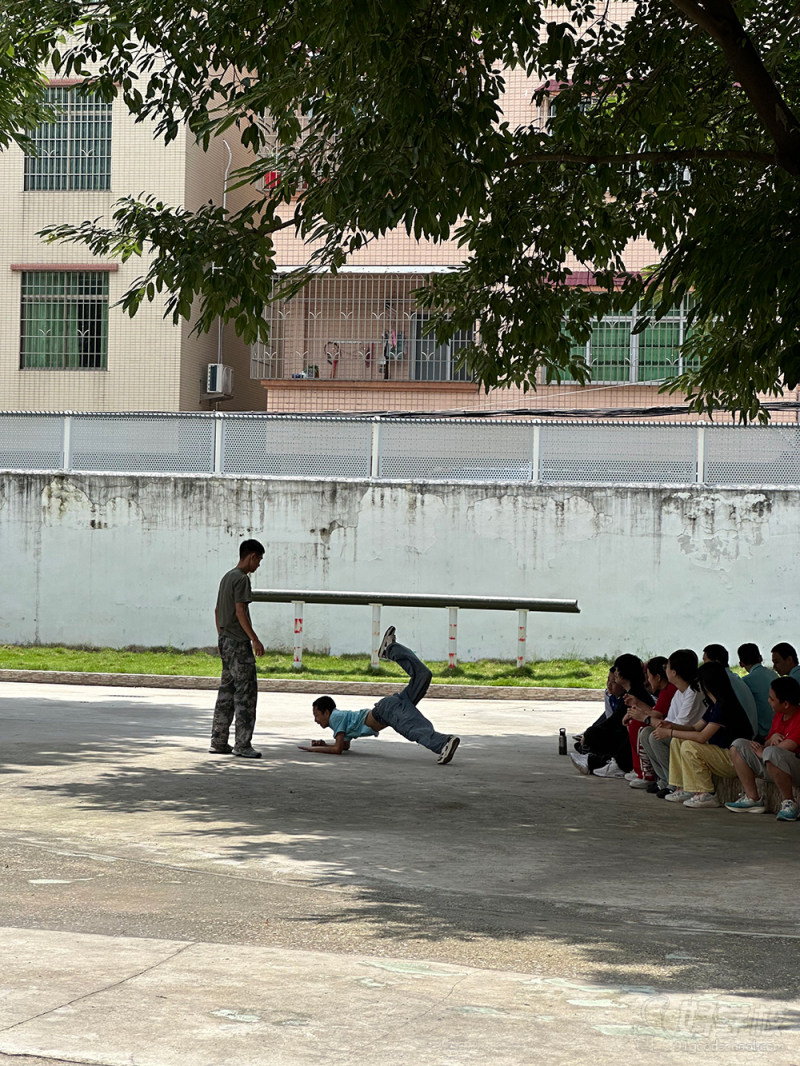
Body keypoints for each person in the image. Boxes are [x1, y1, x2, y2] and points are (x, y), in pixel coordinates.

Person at [299, 627, 460, 765]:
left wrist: (314, 749)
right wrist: (325, 743)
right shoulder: (340, 721)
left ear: (326, 712)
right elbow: (345, 745)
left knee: (411, 727)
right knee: (422, 676)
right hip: (388, 707)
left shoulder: (335, 718)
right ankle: (390, 648)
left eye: (317, 715)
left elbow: (338, 749)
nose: (316, 720)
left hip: (386, 712)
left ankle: (443, 743)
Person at [657, 660, 753, 808]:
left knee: (690, 746)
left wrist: (669, 732)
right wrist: (672, 726)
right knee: (678, 741)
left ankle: (705, 793)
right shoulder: (715, 705)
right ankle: (683, 787)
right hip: (723, 754)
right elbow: (696, 728)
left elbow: (702, 737)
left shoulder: (724, 706)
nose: (698, 685)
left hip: (734, 758)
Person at [209, 538, 266, 758]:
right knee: (246, 695)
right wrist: (254, 639)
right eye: (258, 559)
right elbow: (240, 611)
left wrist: (221, 635)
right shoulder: (242, 579)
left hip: (225, 640)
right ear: (251, 556)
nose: (258, 565)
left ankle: (218, 740)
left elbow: (217, 610)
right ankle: (243, 744)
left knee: (226, 692)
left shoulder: (226, 577)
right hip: (239, 644)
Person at [725, 676, 800, 821]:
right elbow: (768, 742)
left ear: (785, 704)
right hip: (772, 761)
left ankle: (789, 802)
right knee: (738, 745)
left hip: (793, 767)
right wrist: (770, 741)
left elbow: (788, 746)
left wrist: (764, 750)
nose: (768, 701)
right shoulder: (779, 715)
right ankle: (753, 798)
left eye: (772, 699)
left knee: (772, 752)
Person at [570, 654, 653, 778]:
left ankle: (606, 763)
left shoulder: (636, 694)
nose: (615, 674)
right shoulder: (630, 693)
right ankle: (596, 759)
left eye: (617, 669)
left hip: (636, 741)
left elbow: (615, 721)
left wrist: (589, 733)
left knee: (601, 734)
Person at [639, 648, 705, 797]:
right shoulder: (679, 692)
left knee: (655, 737)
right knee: (646, 733)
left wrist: (647, 719)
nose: (665, 670)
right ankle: (663, 778)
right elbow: (669, 721)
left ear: (674, 672)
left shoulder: (693, 694)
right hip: (678, 731)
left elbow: (682, 725)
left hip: (689, 735)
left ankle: (675, 783)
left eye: (667, 667)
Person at [623, 656, 676, 790]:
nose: (647, 680)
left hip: (676, 731)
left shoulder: (669, 690)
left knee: (643, 729)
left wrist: (639, 714)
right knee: (644, 729)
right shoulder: (666, 690)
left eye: (649, 675)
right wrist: (637, 705)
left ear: (657, 677)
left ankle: (653, 775)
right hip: (672, 728)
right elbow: (655, 712)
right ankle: (662, 778)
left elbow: (655, 716)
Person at [702, 643, 758, 736]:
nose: (703, 666)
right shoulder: (733, 678)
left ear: (715, 663)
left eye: (705, 661)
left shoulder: (722, 682)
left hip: (741, 738)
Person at [737, 642, 778, 741]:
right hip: (778, 728)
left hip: (761, 733)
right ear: (760, 658)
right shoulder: (774, 675)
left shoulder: (746, 681)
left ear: (741, 664)